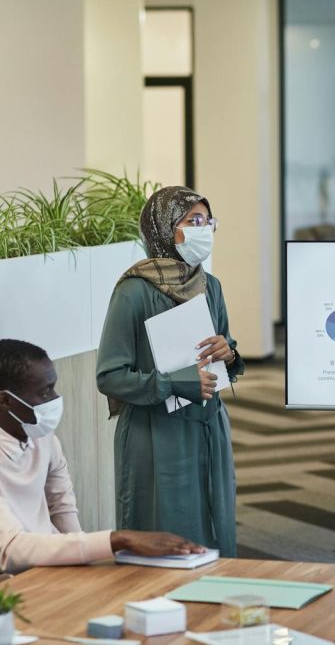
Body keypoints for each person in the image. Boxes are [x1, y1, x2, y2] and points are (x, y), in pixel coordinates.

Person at [0, 339, 205, 585]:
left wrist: (86, 563)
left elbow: (60, 502)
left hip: (48, 571)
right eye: (45, 393)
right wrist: (116, 540)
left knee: (145, 586)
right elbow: (10, 551)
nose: (54, 400)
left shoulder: (34, 429)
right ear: (5, 401)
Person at [96, 186, 244, 556]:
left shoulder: (210, 286)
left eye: (207, 221)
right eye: (192, 221)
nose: (203, 229)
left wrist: (228, 353)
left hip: (209, 424)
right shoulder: (134, 291)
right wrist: (175, 384)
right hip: (156, 434)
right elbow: (110, 375)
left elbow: (225, 351)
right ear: (163, 229)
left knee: (216, 529)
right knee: (166, 538)